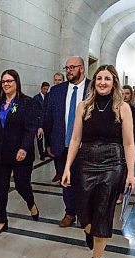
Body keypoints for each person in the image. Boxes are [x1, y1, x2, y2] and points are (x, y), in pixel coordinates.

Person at [61, 65, 135, 258]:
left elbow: (129, 142)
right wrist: (67, 167)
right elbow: (75, 139)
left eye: (107, 78)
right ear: (94, 82)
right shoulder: (83, 106)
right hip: (85, 162)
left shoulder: (122, 108)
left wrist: (130, 173)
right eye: (99, 78)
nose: (103, 82)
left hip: (112, 164)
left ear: (114, 82)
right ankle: (89, 230)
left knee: (102, 215)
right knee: (84, 214)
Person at [43, 56, 91, 227]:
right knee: (67, 181)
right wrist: (48, 143)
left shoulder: (93, 88)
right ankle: (70, 212)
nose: (69, 70)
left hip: (86, 147)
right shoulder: (56, 91)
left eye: (73, 67)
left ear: (82, 68)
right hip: (62, 144)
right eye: (67, 68)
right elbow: (48, 119)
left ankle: (86, 216)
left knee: (86, 182)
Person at [0, 69, 39, 235]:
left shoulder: (26, 102)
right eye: (3, 81)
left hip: (20, 153)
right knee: (0, 187)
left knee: (21, 184)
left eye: (9, 81)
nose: (6, 84)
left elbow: (31, 127)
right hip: (1, 153)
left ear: (16, 83)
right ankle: (2, 220)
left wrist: (24, 147)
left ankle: (31, 202)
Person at [117, 85, 135, 203]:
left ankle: (121, 193)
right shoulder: (116, 107)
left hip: (129, 140)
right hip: (117, 141)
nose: (125, 96)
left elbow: (134, 126)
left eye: (127, 93)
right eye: (123, 93)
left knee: (125, 168)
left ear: (131, 95)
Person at [50, 72, 65, 182]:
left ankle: (63, 173)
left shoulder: (66, 93)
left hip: (64, 130)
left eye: (60, 80)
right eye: (56, 80)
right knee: (56, 155)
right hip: (54, 131)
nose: (57, 82)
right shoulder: (51, 94)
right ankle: (58, 173)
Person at [33, 81, 50, 161]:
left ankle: (47, 151)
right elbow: (35, 111)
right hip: (38, 120)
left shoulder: (48, 97)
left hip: (46, 121)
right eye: (44, 89)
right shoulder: (36, 98)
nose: (46, 91)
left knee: (47, 137)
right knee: (40, 138)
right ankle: (41, 154)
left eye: (47, 89)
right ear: (41, 88)